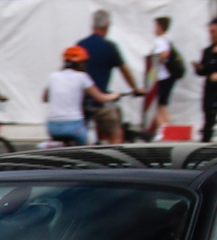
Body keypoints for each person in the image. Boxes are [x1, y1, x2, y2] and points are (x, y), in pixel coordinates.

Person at [77, 10, 136, 138]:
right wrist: (135, 88)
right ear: (107, 26)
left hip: (80, 102)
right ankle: (113, 154)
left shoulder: (80, 45)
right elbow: (125, 71)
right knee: (115, 131)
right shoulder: (110, 47)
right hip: (100, 100)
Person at [44, 46, 110, 146]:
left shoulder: (52, 76)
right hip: (74, 126)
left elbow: (44, 98)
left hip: (52, 127)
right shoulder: (82, 77)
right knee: (87, 147)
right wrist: (116, 95)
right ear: (81, 63)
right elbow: (100, 98)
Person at [144, 15, 181, 137]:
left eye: (155, 26)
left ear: (160, 27)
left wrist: (156, 61)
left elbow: (164, 54)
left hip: (164, 76)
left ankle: (163, 129)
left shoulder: (161, 40)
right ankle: (165, 128)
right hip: (167, 76)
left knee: (161, 104)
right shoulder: (166, 40)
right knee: (163, 103)